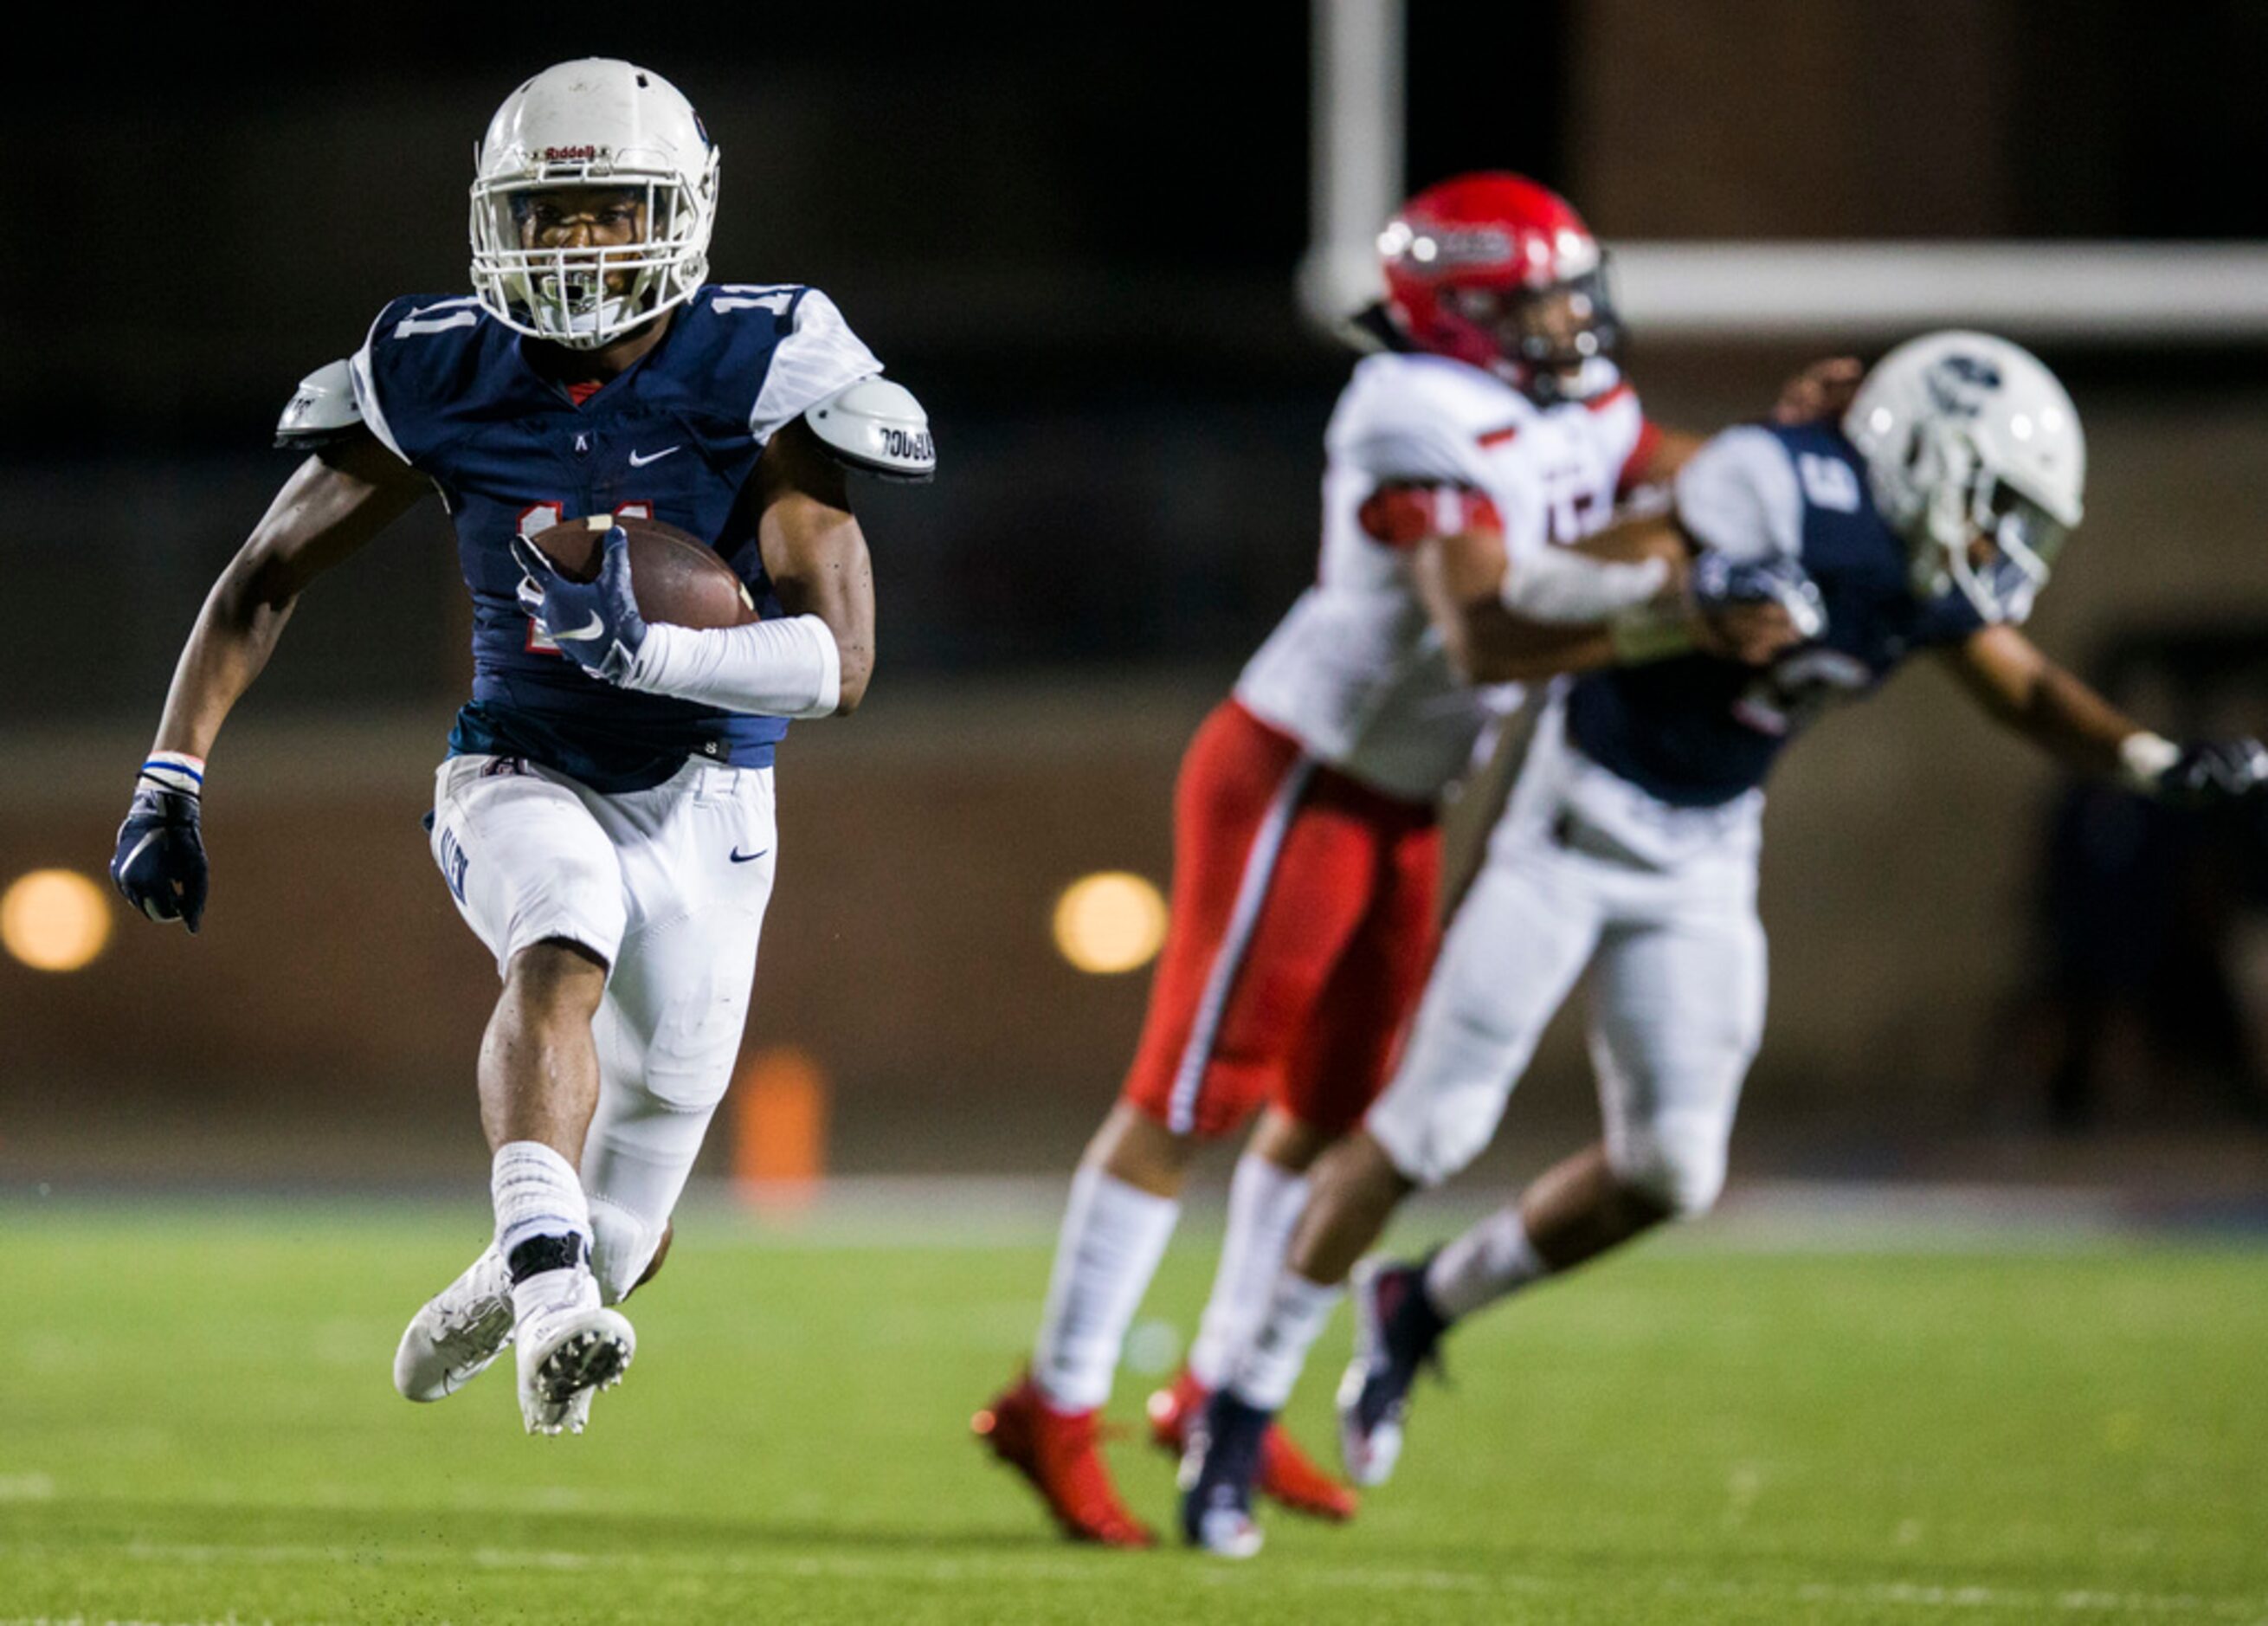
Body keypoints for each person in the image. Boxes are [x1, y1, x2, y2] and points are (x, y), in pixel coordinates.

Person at [1178, 331, 2268, 1556]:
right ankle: (1238, 1405)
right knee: (1429, 1124)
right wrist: (1683, 601)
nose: (1995, 545)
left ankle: (1423, 1302)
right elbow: (1548, 583)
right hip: (1573, 817)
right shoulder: (1778, 485)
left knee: (1675, 1168)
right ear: (1920, 456)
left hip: (1702, 850)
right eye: (1992, 506)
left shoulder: (1913, 567)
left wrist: (2155, 761)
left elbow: (2021, 684)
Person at [974, 171, 1817, 1546]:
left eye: (1568, 289)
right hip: (1302, 772)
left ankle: (1211, 1391)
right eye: (1533, 297)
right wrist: (1685, 615)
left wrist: (1804, 473)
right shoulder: (1409, 407)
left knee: (1326, 1113)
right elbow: (1484, 634)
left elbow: (1672, 467)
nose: (1566, 318)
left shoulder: (1564, 400)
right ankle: (1053, 1403)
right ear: (1465, 312)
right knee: (1195, 1097)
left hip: (1408, 796)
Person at [108, 59, 932, 1436]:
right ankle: (551, 1296)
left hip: (712, 793)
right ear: (496, 220)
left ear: (680, 212)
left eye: (611, 212)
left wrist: (647, 650)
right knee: (560, 934)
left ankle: (520, 1275)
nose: (578, 245)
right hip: (519, 763)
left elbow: (839, 666)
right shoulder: (439, 363)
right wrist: (170, 775)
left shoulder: (765, 358)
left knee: (640, 1192)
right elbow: (261, 575)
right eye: (549, 217)